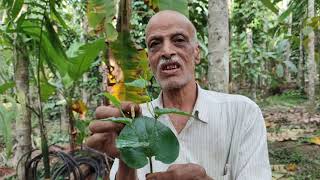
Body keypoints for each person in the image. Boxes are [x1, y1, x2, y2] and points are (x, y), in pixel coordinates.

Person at [86, 10, 271, 180]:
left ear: (196, 53)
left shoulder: (242, 113)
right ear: (149, 62)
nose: (166, 51)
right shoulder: (135, 121)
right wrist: (127, 159)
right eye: (155, 44)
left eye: (179, 40)